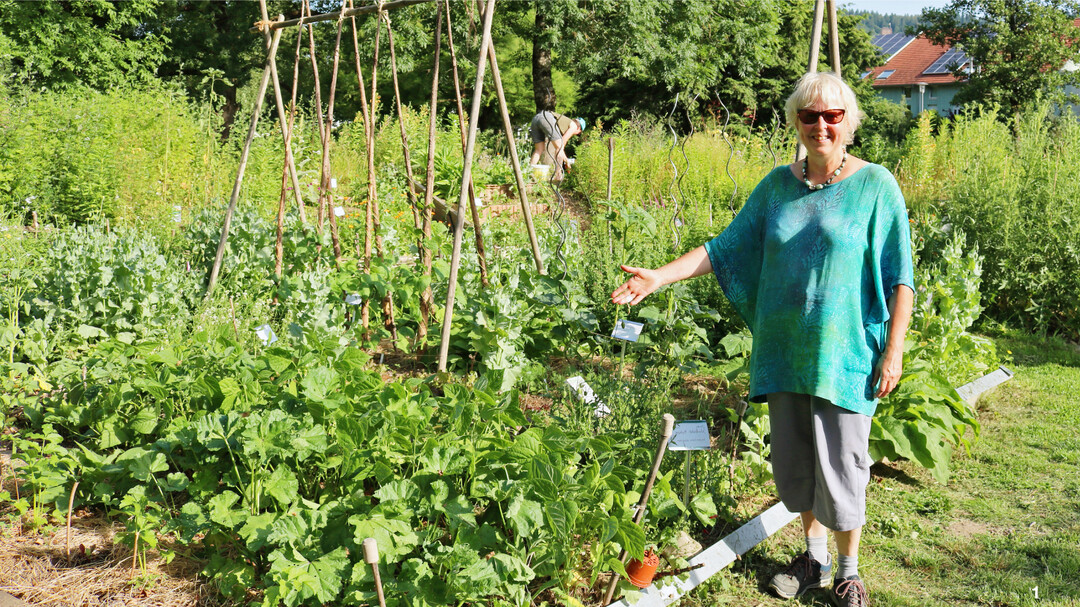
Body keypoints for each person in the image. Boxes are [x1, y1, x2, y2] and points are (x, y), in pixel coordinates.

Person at [610, 71, 914, 607]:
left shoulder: (875, 186)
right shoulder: (776, 186)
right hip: (784, 353)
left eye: (832, 116)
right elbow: (723, 249)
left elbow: (900, 277)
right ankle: (814, 557)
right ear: (796, 121)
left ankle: (849, 570)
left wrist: (894, 349)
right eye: (809, 115)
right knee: (797, 466)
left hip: (845, 355)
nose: (820, 125)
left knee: (844, 465)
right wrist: (660, 275)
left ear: (848, 124)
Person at [528, 110, 585, 179]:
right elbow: (561, 145)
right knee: (559, 148)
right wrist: (567, 162)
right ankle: (558, 175)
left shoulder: (565, 123)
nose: (575, 134)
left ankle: (528, 173)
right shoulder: (574, 126)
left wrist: (566, 160)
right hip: (546, 117)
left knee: (539, 149)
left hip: (536, 118)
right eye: (578, 133)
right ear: (579, 128)